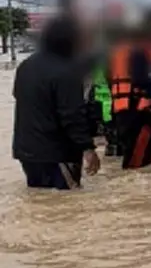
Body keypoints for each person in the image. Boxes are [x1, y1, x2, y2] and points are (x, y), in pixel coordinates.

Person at [12, 15, 101, 189]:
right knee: (69, 206)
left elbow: (19, 98)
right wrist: (88, 149)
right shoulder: (67, 71)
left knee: (43, 207)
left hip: (27, 152)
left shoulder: (25, 66)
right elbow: (72, 114)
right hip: (57, 154)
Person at [109, 11, 151, 169]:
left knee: (132, 159)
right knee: (138, 163)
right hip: (139, 112)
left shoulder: (116, 51)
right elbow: (141, 80)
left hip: (122, 110)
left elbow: (111, 80)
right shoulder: (140, 51)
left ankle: (129, 193)